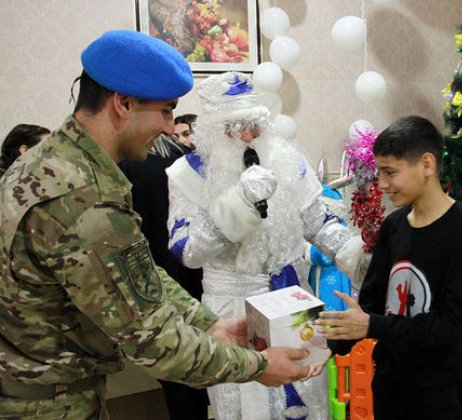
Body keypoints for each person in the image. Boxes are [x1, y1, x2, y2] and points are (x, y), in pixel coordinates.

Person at [0, 29, 311, 419]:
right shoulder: (83, 199)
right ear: (123, 103)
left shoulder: (51, 162)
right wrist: (260, 367)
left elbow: (134, 271)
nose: (169, 127)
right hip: (49, 404)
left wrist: (207, 322)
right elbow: (153, 341)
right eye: (165, 110)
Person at [165, 71, 367, 420]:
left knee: (306, 393)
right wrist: (238, 204)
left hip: (293, 297)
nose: (248, 135)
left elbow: (319, 221)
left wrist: (354, 255)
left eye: (255, 124)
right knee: (242, 405)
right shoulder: (187, 174)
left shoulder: (287, 159)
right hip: (232, 312)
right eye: (237, 126)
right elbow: (187, 252)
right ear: (215, 132)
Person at [316, 115, 462, 419]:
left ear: (427, 164)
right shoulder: (394, 226)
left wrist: (372, 325)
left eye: (390, 172)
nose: (382, 184)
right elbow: (371, 304)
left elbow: (448, 326)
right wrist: (326, 346)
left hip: (442, 392)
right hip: (391, 383)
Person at [119, 133, 208, 420]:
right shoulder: (182, 157)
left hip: (153, 277)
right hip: (197, 274)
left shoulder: (124, 165)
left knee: (176, 373)